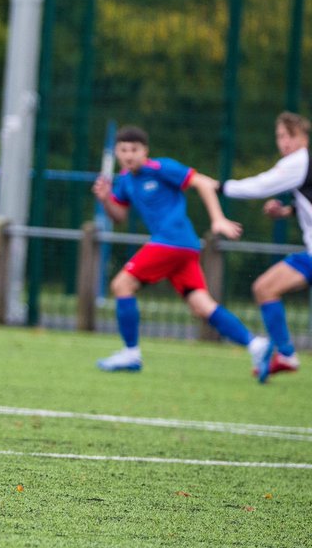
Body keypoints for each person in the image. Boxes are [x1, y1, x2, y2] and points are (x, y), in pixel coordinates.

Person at [91, 125, 269, 375]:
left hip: (171, 241)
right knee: (201, 305)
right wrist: (105, 199)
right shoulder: (126, 180)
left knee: (122, 284)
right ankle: (257, 345)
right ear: (117, 153)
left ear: (145, 151)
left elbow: (203, 183)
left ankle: (130, 353)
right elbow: (119, 216)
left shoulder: (161, 168)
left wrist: (218, 219)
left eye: (134, 149)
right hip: (183, 248)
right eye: (124, 150)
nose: (129, 155)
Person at [220, 111, 311, 383]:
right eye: (280, 136)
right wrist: (286, 211)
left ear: (304, 138)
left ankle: (286, 354)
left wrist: (221, 187)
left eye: (290, 135)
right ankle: (285, 354)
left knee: (264, 288)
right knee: (264, 288)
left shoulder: (299, 160)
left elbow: (262, 185)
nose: (284, 142)